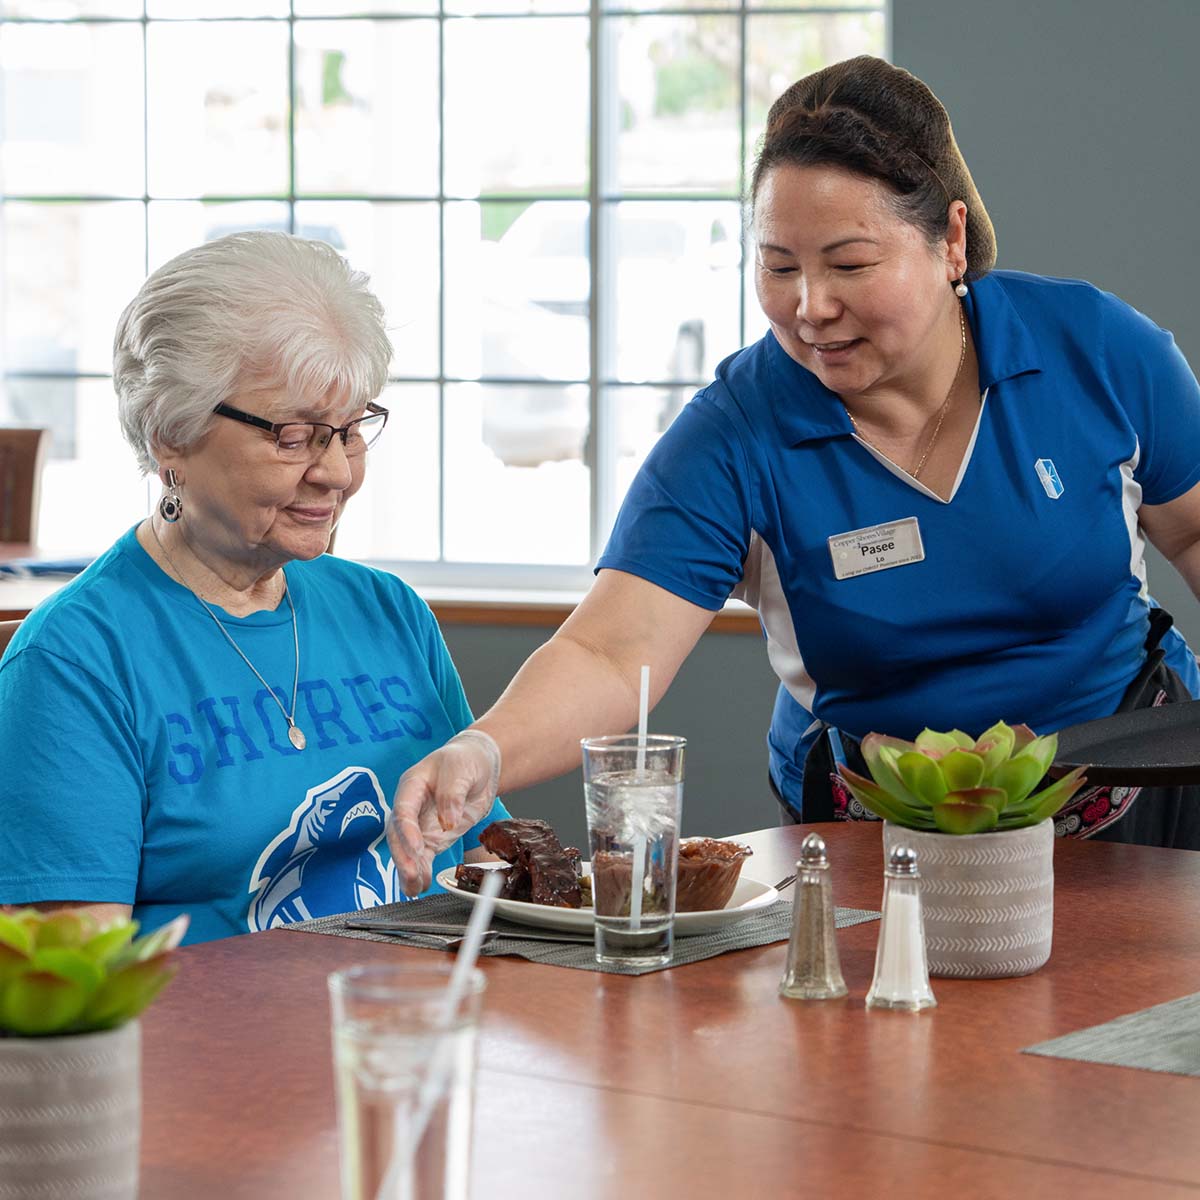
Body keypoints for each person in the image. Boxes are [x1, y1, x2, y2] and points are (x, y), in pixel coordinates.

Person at [388, 54, 1200, 892]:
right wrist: (484, 747)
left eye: (848, 265)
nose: (809, 305)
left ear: (951, 241)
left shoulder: (1094, 350)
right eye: (779, 267)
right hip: (877, 831)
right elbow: (610, 648)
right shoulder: (737, 431)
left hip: (1124, 789)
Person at [0, 232, 507, 943]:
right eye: (295, 435)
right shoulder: (75, 662)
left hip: (410, 1030)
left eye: (352, 428)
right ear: (168, 433)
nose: (337, 473)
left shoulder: (389, 612)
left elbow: (491, 869)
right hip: (211, 1049)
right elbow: (77, 991)